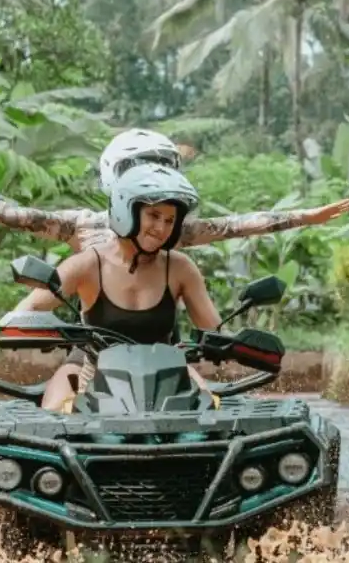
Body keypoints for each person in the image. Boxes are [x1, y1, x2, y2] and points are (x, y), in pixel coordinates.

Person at [0, 128, 349, 251]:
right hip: (94, 350)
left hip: (164, 355)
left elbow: (237, 225)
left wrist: (304, 217)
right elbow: (15, 213)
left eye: (164, 213)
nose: (157, 224)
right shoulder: (82, 226)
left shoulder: (176, 231)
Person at [13, 164, 223, 412]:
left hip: (168, 374)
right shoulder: (88, 264)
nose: (162, 228)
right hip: (91, 371)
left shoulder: (180, 268)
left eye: (170, 220)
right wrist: (33, 327)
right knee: (51, 415)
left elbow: (216, 332)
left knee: (213, 410)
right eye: (154, 216)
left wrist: (230, 344)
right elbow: (27, 309)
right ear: (127, 212)